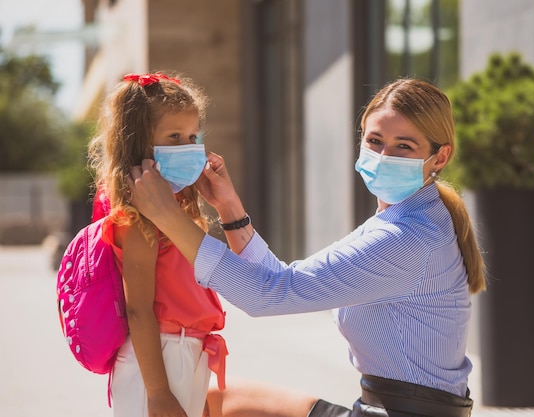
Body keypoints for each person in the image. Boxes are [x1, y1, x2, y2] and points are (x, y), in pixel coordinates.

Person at [127, 78, 486, 417]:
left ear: (439, 158)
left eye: (403, 146)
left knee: (207, 401)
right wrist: (230, 209)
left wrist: (169, 218)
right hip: (384, 408)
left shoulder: (408, 238)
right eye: (375, 140)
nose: (383, 154)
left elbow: (268, 295)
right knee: (213, 398)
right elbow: (283, 280)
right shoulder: (404, 218)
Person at [88, 72, 228, 417]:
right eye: (175, 136)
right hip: (160, 358)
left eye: (193, 136)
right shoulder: (137, 214)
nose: (188, 146)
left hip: (183, 352)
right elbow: (138, 308)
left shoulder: (174, 205)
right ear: (142, 143)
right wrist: (159, 393)